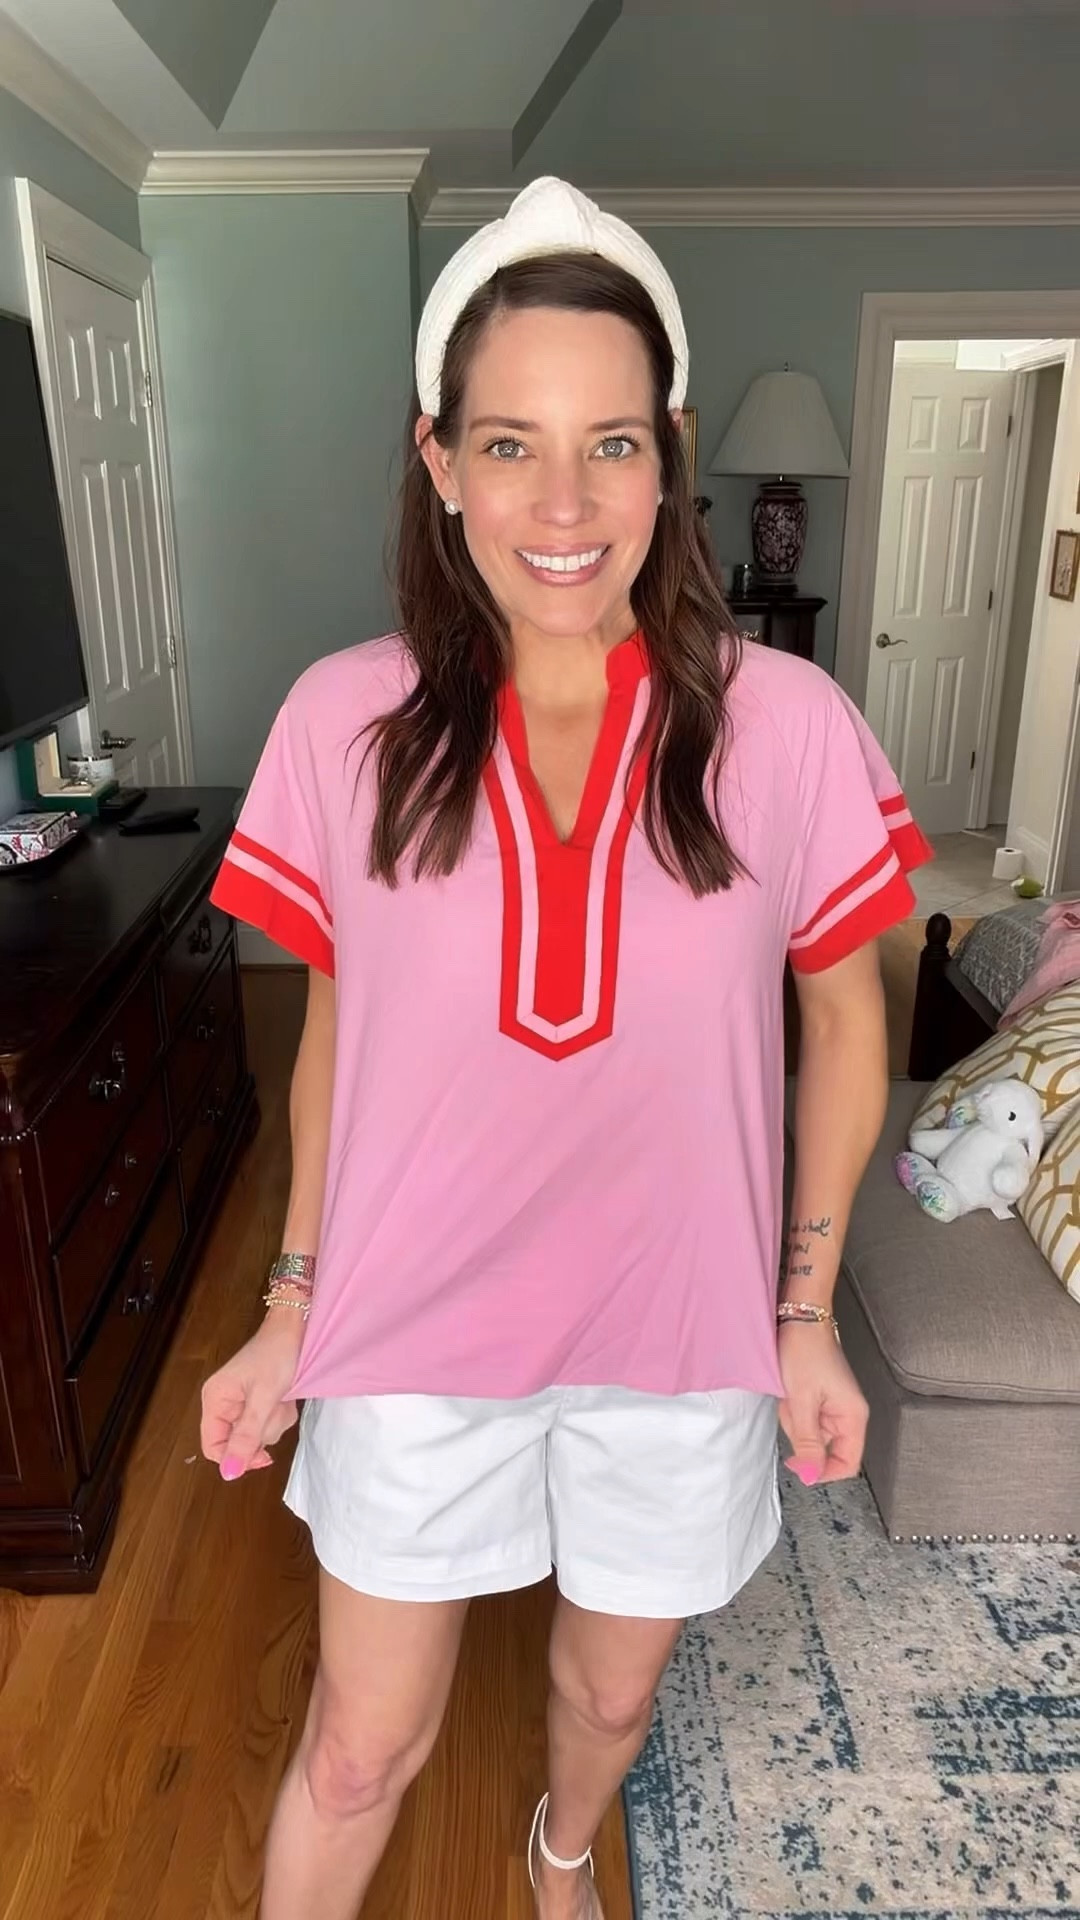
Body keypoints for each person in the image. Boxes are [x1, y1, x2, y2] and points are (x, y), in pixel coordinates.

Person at [200, 176, 931, 1920]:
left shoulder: (791, 725)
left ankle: (551, 1857)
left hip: (677, 1340)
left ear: (670, 455)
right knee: (359, 1747)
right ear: (438, 460)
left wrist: (807, 1313)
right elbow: (333, 1033)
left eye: (610, 443)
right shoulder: (338, 723)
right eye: (509, 442)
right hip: (408, 1329)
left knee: (609, 1695)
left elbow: (848, 1017)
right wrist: (294, 1303)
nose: (562, 500)